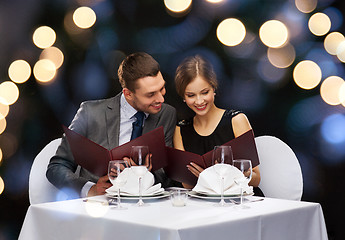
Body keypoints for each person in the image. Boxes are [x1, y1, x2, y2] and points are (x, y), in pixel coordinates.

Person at [47, 52, 179, 198]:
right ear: (128, 94)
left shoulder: (166, 114)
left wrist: (145, 175)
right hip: (99, 207)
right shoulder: (90, 113)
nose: (161, 98)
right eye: (150, 94)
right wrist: (90, 189)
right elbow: (56, 167)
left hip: (144, 206)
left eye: (162, 88)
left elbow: (166, 174)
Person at [173, 55, 263, 195]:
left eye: (204, 92)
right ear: (183, 97)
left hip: (240, 202)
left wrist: (211, 177)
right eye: (191, 95)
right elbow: (187, 184)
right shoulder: (181, 129)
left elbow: (256, 178)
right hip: (203, 204)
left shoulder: (236, 120)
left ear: (213, 88)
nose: (199, 101)